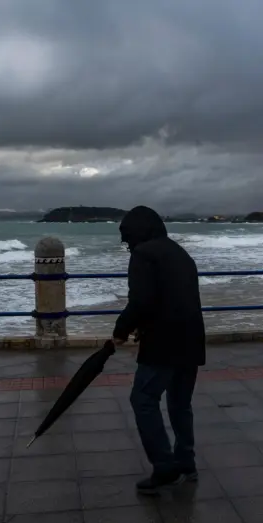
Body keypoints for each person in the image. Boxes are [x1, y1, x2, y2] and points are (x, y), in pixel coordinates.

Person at [112, 206, 206, 494]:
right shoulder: (179, 252)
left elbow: (141, 300)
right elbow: (173, 296)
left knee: (143, 399)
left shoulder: (143, 254)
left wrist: (121, 329)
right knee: (180, 403)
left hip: (164, 342)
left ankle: (164, 467)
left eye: (127, 237)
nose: (126, 244)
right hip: (191, 338)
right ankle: (186, 463)